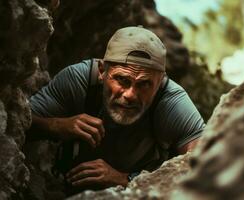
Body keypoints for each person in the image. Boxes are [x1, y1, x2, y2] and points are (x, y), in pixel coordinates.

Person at [29, 26, 205, 192]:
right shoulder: (79, 81)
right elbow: (17, 123)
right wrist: (57, 125)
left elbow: (207, 167)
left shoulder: (172, 101)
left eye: (144, 84)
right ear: (101, 70)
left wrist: (126, 180)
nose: (130, 94)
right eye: (122, 80)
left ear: (160, 83)